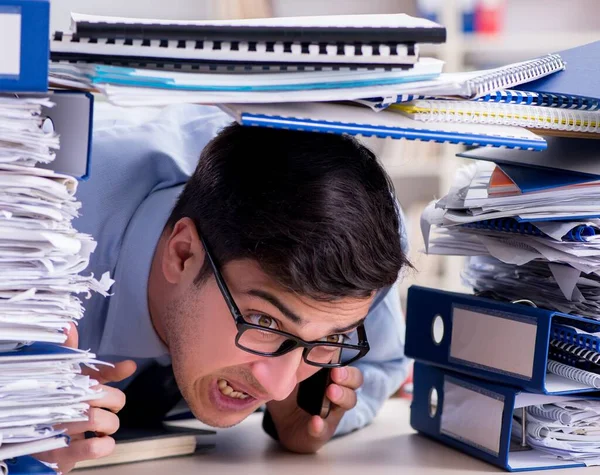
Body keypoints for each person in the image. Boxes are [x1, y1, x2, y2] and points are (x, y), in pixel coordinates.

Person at [35, 104, 411, 473]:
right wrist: (18, 447)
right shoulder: (33, 225)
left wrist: (304, 423)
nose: (279, 388)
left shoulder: (360, 248)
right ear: (183, 254)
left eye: (331, 340)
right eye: (264, 321)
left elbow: (383, 364)